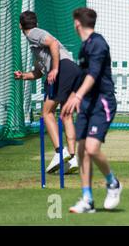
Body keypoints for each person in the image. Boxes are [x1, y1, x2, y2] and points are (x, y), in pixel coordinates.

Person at [61, 7, 121, 213]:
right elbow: (82, 76)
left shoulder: (98, 44)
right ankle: (87, 199)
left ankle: (113, 183)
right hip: (86, 103)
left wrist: (77, 95)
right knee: (82, 151)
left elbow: (93, 74)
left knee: (92, 149)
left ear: (77, 22)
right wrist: (71, 98)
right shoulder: (84, 46)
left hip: (102, 102)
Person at [15, 11, 79, 174]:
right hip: (72, 70)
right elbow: (38, 73)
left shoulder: (33, 34)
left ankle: (60, 152)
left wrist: (55, 69)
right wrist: (23, 75)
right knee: (66, 115)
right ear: (35, 22)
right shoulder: (36, 47)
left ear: (21, 26)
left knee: (46, 113)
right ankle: (73, 159)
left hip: (62, 69)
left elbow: (53, 44)